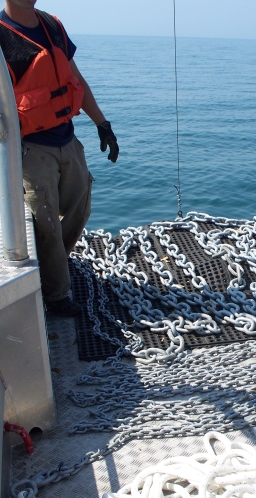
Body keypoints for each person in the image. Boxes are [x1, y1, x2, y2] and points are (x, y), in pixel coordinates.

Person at [0, 0, 119, 316]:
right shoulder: (2, 36)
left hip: (67, 137)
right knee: (46, 221)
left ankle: (54, 267)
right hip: (32, 148)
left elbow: (76, 78)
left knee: (80, 207)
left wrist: (102, 124)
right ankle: (56, 295)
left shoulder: (52, 25)